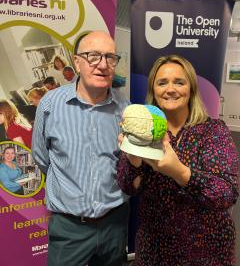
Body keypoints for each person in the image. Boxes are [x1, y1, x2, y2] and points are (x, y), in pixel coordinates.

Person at [117, 54, 239, 266]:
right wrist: (133, 158)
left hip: (206, 251)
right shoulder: (144, 132)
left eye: (179, 82)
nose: (170, 89)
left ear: (190, 88)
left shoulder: (213, 131)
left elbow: (226, 194)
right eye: (162, 82)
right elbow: (128, 186)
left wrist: (179, 172)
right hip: (155, 248)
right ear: (153, 90)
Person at [32, 31, 130, 266]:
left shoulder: (124, 106)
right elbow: (42, 158)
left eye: (110, 57)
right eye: (93, 56)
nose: (103, 65)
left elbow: (125, 162)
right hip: (69, 229)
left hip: (114, 224)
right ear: (76, 62)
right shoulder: (50, 104)